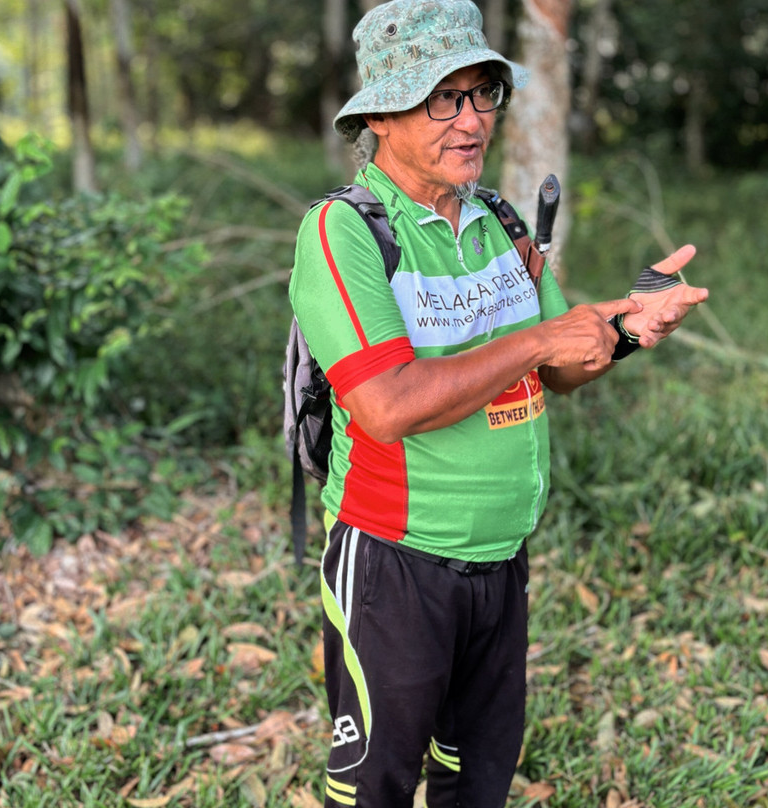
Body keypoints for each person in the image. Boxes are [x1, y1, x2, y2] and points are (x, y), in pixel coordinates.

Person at [288, 1, 709, 805]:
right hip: (394, 562)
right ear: (381, 114)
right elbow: (386, 406)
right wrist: (538, 342)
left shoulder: (498, 220)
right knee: (375, 786)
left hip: (498, 563)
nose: (473, 120)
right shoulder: (346, 232)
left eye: (483, 94)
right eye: (443, 97)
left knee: (475, 780)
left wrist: (621, 328)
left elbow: (557, 368)